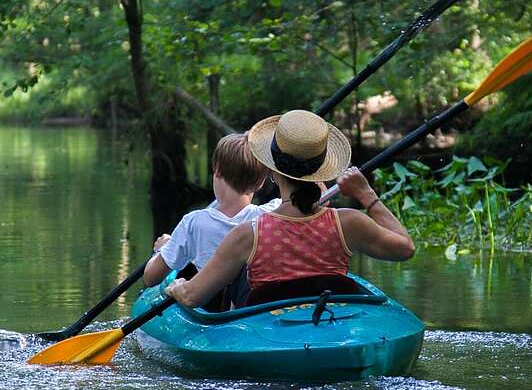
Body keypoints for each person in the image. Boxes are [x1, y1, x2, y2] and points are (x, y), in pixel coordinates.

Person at [163, 109, 415, 309]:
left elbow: (192, 297)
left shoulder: (248, 234)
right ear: (321, 168)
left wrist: (176, 286)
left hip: (268, 335)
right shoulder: (349, 222)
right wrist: (366, 194)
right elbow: (405, 248)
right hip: (328, 326)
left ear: (271, 170)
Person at [141, 133, 278, 293]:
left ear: (217, 171)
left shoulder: (192, 223)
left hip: (208, 303)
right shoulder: (271, 214)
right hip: (247, 303)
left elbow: (150, 278)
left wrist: (161, 250)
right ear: (261, 182)